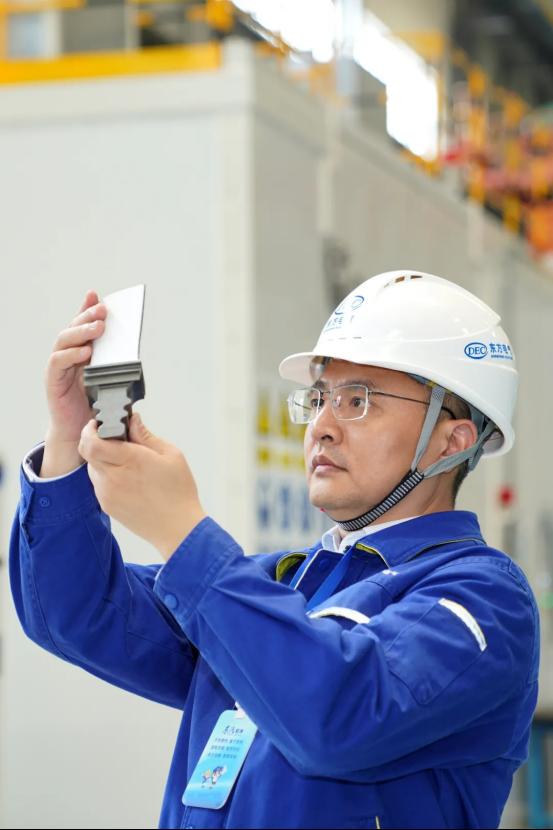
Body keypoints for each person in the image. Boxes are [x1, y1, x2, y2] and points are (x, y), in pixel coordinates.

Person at [10, 270, 539, 830]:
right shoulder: (285, 583)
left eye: (358, 400)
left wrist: (183, 533)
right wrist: (68, 438)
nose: (322, 427)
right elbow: (77, 612)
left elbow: (339, 716)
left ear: (450, 440)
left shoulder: (485, 600)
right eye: (319, 398)